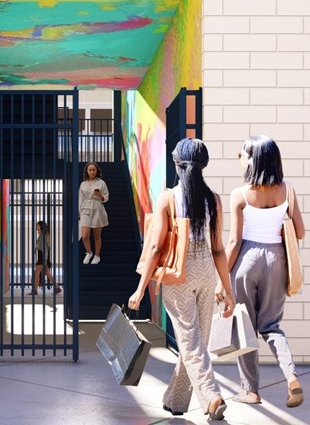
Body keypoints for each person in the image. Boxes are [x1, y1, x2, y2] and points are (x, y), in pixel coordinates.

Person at [128, 138, 235, 421]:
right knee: (196, 340)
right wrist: (227, 287)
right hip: (206, 270)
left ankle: (211, 398)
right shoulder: (214, 199)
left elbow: (153, 248)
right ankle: (175, 400)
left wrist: (141, 288)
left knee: (190, 342)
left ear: (178, 165)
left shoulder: (168, 198)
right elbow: (218, 248)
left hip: (179, 274)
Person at [224, 134, 306, 408]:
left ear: (253, 159)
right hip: (276, 259)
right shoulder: (287, 189)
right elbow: (301, 231)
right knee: (271, 327)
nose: (240, 159)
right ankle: (291, 376)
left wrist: (221, 279)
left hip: (246, 259)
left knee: (245, 327)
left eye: (242, 155)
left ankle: (251, 391)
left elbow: (234, 241)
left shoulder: (240, 194)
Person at [79, 161, 108, 264]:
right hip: (85, 209)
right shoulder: (83, 184)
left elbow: (106, 197)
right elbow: (80, 199)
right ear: (87, 171)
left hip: (97, 208)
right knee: (85, 235)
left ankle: (97, 255)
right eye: (90, 170)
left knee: (97, 235)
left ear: (96, 171)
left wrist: (100, 195)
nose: (92, 172)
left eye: (94, 170)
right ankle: (89, 252)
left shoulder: (101, 183)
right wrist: (79, 212)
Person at [30, 220, 62, 295]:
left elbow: (46, 248)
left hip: (42, 257)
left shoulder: (43, 236)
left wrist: (44, 259)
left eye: (37, 225)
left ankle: (35, 291)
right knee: (47, 274)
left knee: (37, 273)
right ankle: (57, 288)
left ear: (41, 226)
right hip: (42, 257)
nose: (36, 226)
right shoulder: (42, 235)